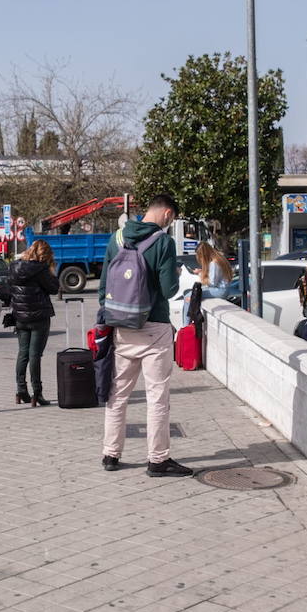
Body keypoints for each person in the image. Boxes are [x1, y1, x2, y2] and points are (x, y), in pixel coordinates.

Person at [100, 194, 190, 477]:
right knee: (157, 396)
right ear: (166, 214)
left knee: (118, 394)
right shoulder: (163, 242)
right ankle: (157, 460)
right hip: (154, 328)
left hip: (122, 327)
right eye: (172, 218)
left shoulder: (116, 238)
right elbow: (168, 290)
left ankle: (111, 454)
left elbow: (103, 288)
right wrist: (173, 272)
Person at [8, 240, 60, 407]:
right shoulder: (41, 269)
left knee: (23, 353)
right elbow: (53, 288)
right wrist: (52, 271)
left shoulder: (14, 267)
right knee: (35, 356)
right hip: (39, 318)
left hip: (20, 318)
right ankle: (37, 393)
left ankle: (21, 390)